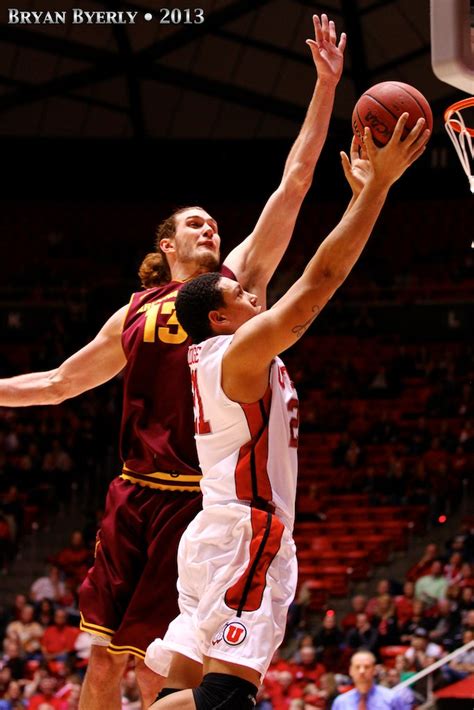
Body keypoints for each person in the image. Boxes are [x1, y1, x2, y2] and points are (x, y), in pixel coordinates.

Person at [0, 14, 346, 709]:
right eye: (195, 222)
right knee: (102, 663)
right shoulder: (130, 313)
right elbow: (58, 383)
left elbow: (296, 182)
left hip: (203, 498)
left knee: (165, 671)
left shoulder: (234, 285)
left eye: (214, 222)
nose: (211, 227)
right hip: (134, 494)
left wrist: (326, 88)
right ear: (163, 244)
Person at [147, 114, 430, 708]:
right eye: (242, 297)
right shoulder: (239, 350)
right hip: (246, 532)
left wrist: (357, 201)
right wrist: (378, 188)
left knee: (193, 691)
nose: (255, 297)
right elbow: (321, 279)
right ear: (219, 319)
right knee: (226, 700)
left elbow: (298, 219)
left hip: (219, 529)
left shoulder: (215, 351)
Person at [332, 651, 407, 709]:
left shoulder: (392, 698)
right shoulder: (340, 702)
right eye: (357, 667)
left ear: (374, 670)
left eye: (367, 667)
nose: (362, 671)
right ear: (350, 670)